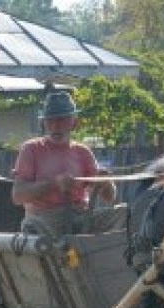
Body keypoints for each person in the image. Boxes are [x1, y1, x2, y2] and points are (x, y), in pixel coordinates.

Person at [12, 91, 117, 237]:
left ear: (74, 123)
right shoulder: (31, 149)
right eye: (51, 120)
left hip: (80, 217)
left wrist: (106, 182)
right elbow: (18, 196)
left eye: (62, 120)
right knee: (56, 235)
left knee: (123, 214)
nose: (56, 126)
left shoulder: (83, 152)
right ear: (43, 123)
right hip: (44, 220)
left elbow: (110, 198)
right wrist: (54, 184)